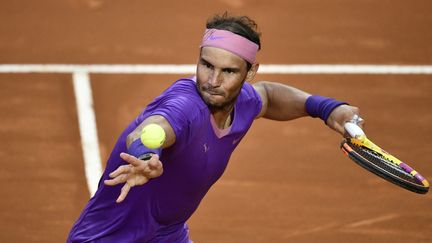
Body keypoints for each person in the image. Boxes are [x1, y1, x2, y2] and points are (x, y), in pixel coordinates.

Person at [67, 12, 361, 243]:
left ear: (250, 73)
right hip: (108, 238)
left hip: (167, 235)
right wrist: (145, 155)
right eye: (207, 65)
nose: (213, 80)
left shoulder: (243, 102)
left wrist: (327, 108)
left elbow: (268, 96)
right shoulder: (186, 105)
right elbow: (152, 128)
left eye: (229, 71)